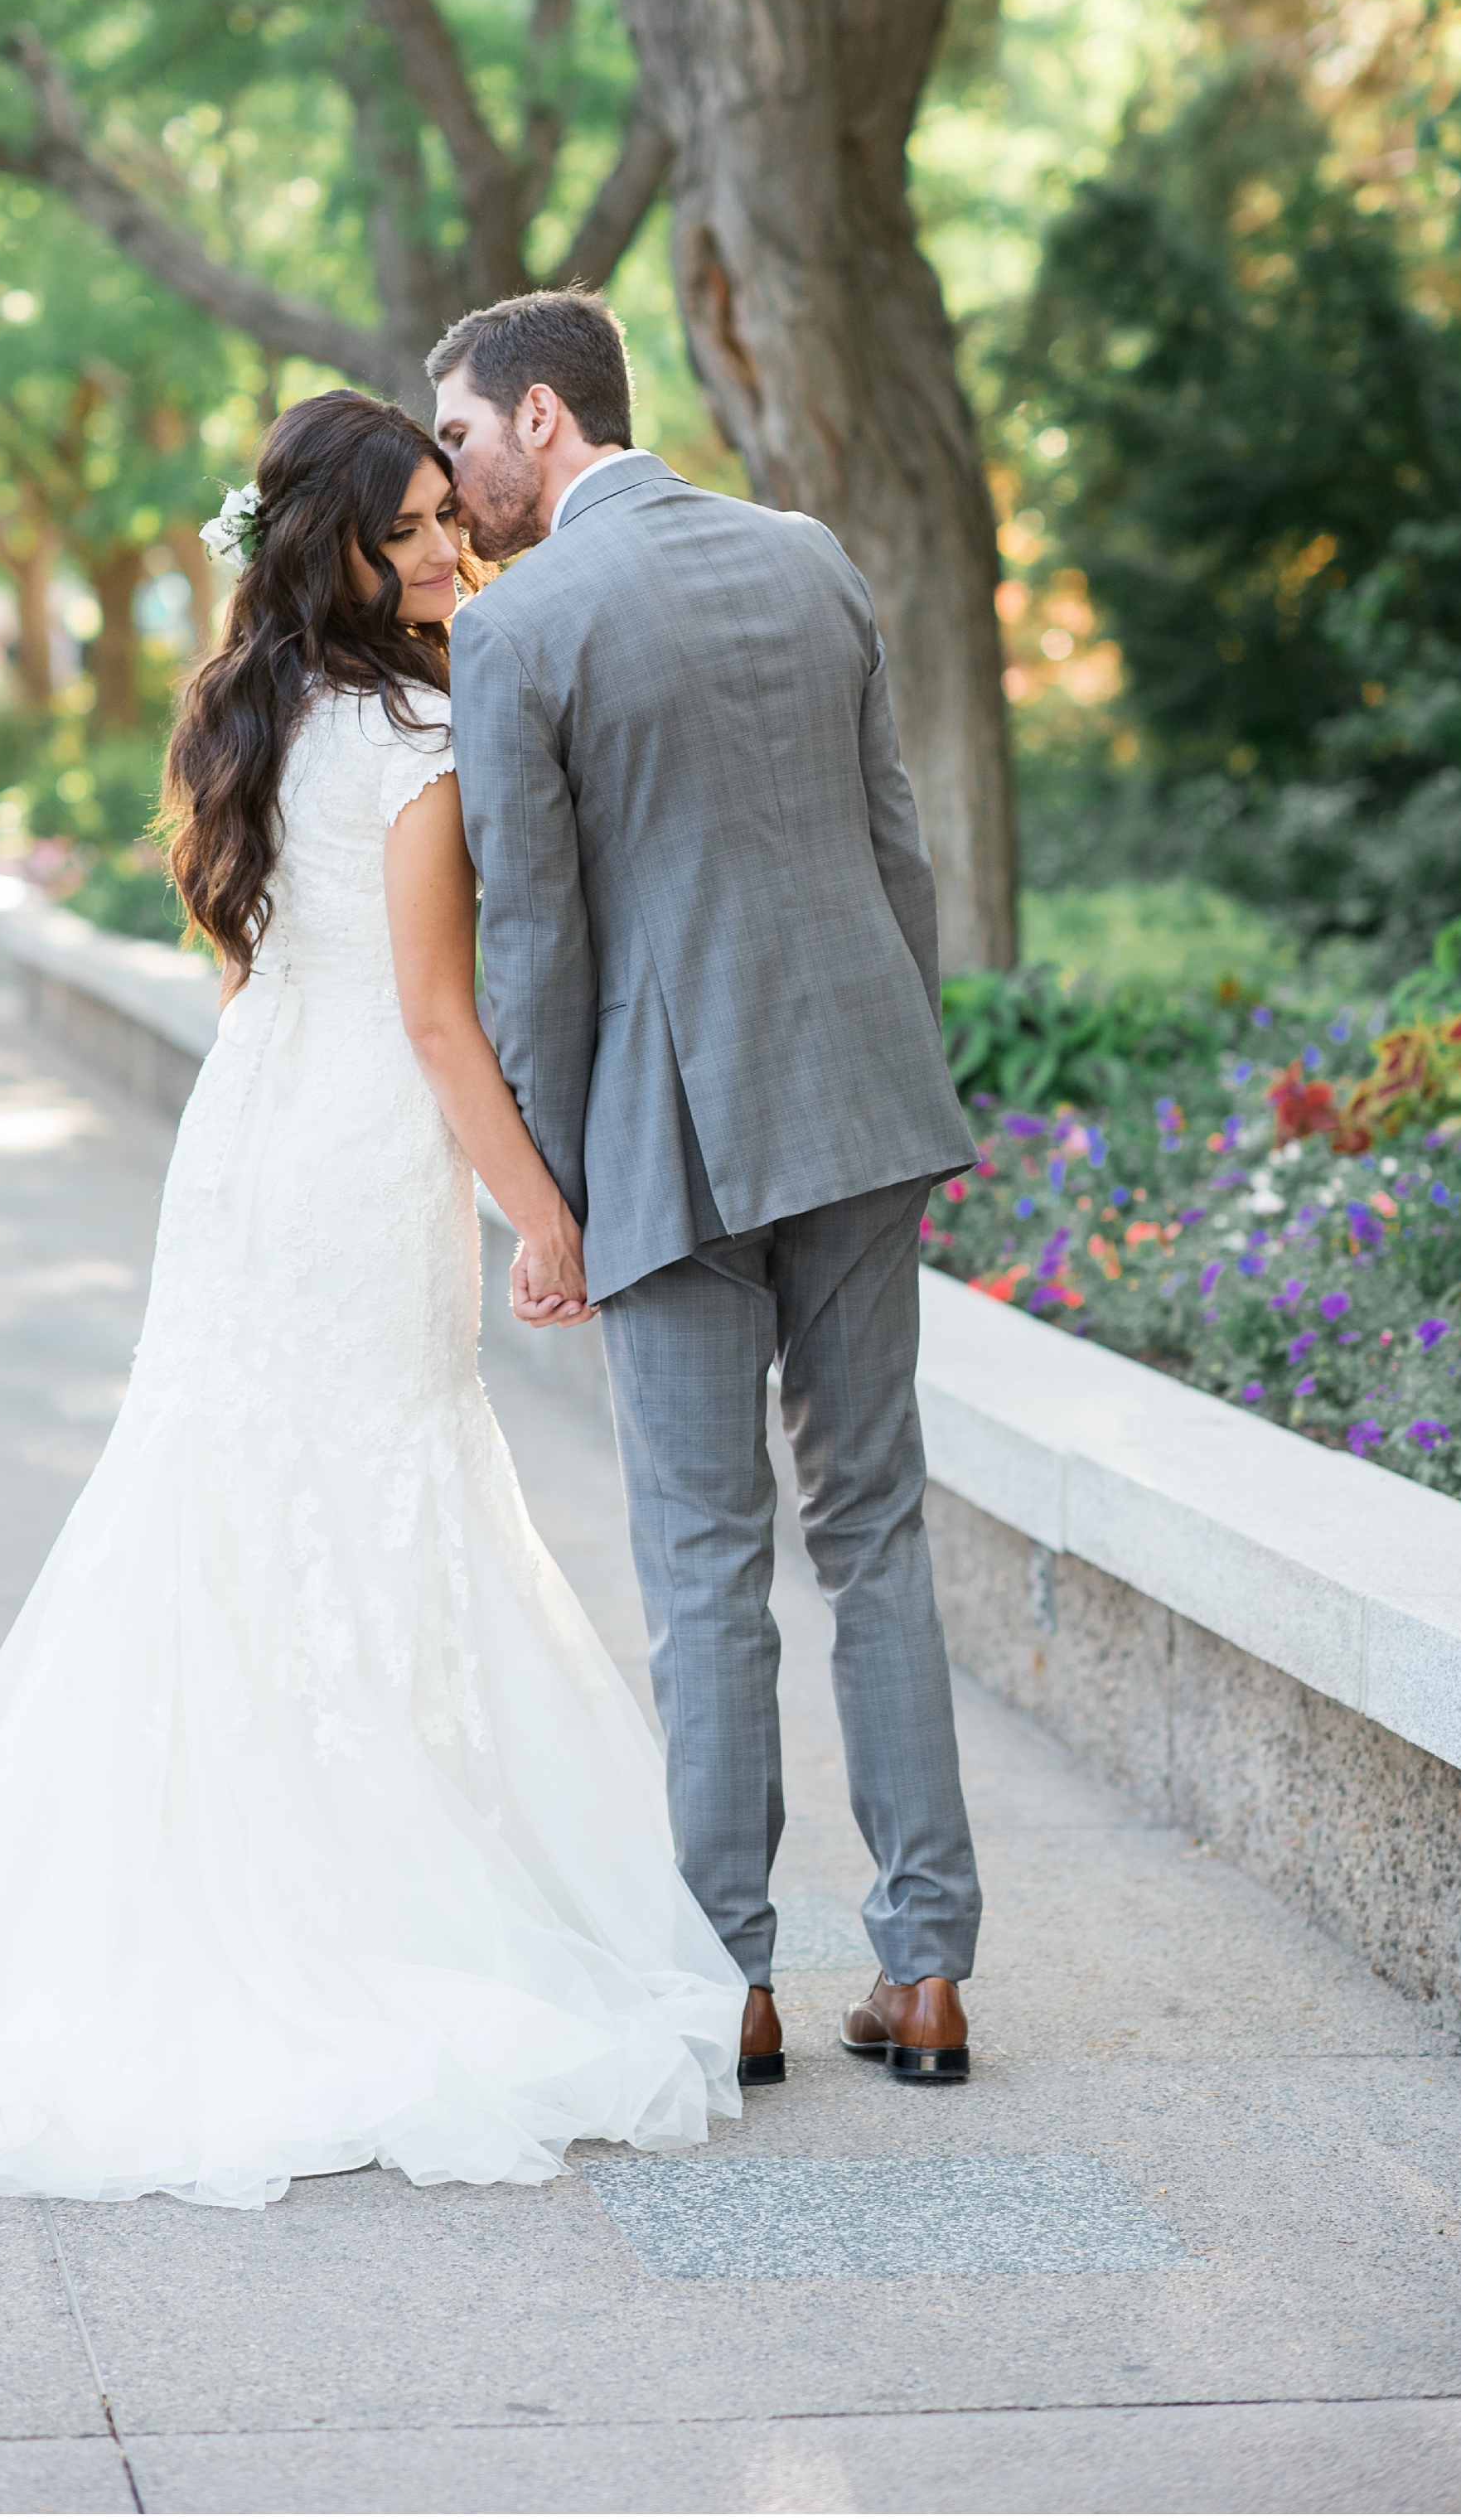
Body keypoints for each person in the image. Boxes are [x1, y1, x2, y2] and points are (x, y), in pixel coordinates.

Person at [0, 389, 744, 2212]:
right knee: (370, 1495)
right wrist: (542, 1217)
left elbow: (255, 974)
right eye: (416, 528)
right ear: (336, 550)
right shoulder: (419, 731)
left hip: (249, 1145)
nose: (453, 552)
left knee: (225, 1508)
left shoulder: (248, 709)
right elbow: (434, 1017)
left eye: (452, 519)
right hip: (354, 1151)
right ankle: (351, 1913)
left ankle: (224, 1888)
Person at [433, 288, 983, 2087]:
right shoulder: (808, 555)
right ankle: (922, 1973)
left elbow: (533, 942)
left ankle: (727, 1980)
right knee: (875, 1531)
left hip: (664, 1141)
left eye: (457, 439)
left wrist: (548, 1190)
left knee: (703, 1564)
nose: (452, 480)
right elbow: (894, 847)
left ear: (537, 415)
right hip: (855, 1101)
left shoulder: (519, 631)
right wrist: (898, 1093)